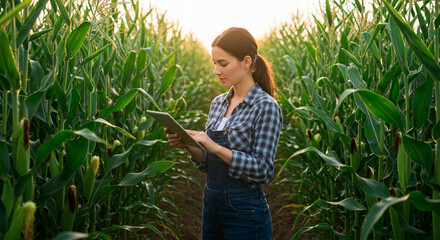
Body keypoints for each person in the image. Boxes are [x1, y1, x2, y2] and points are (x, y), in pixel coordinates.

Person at [165, 27, 282, 240]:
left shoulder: (266, 106)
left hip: (245, 212)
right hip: (211, 207)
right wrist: (189, 144)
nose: (216, 71)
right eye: (214, 63)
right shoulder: (217, 103)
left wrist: (216, 146)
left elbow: (263, 170)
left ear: (246, 62)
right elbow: (208, 163)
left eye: (223, 64)